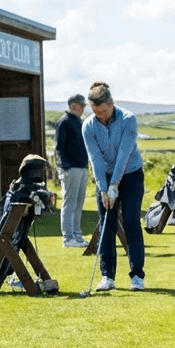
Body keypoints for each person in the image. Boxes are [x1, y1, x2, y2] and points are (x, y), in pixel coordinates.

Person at [82, 80, 146, 292]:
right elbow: (96, 160)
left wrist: (114, 186)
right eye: (95, 111)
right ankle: (107, 276)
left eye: (103, 111)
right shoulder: (88, 126)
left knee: (130, 222)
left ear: (111, 103)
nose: (100, 115)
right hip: (106, 177)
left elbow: (123, 156)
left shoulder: (128, 119)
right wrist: (103, 189)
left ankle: (137, 275)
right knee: (106, 225)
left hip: (131, 174)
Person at [54, 93, 90, 247]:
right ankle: (68, 238)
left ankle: (77, 235)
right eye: (81, 105)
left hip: (81, 167)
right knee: (70, 204)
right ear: (73, 105)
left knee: (79, 203)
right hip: (71, 168)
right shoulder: (64, 122)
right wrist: (65, 167)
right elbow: (59, 147)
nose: (83, 108)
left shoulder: (78, 121)